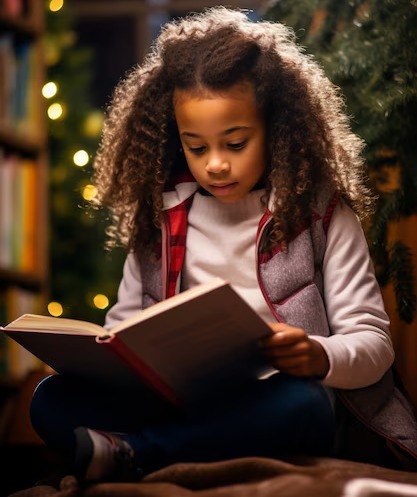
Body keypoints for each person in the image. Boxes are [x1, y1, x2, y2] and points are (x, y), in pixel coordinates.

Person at [30, 6, 417, 484]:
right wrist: (111, 360)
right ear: (176, 137)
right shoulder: (161, 217)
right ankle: (159, 448)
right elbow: (124, 326)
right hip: (182, 402)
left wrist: (319, 355)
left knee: (304, 403)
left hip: (277, 401)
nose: (214, 164)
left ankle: (137, 454)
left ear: (276, 130)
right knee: (50, 398)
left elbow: (374, 346)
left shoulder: (321, 213)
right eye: (197, 147)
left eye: (235, 144)